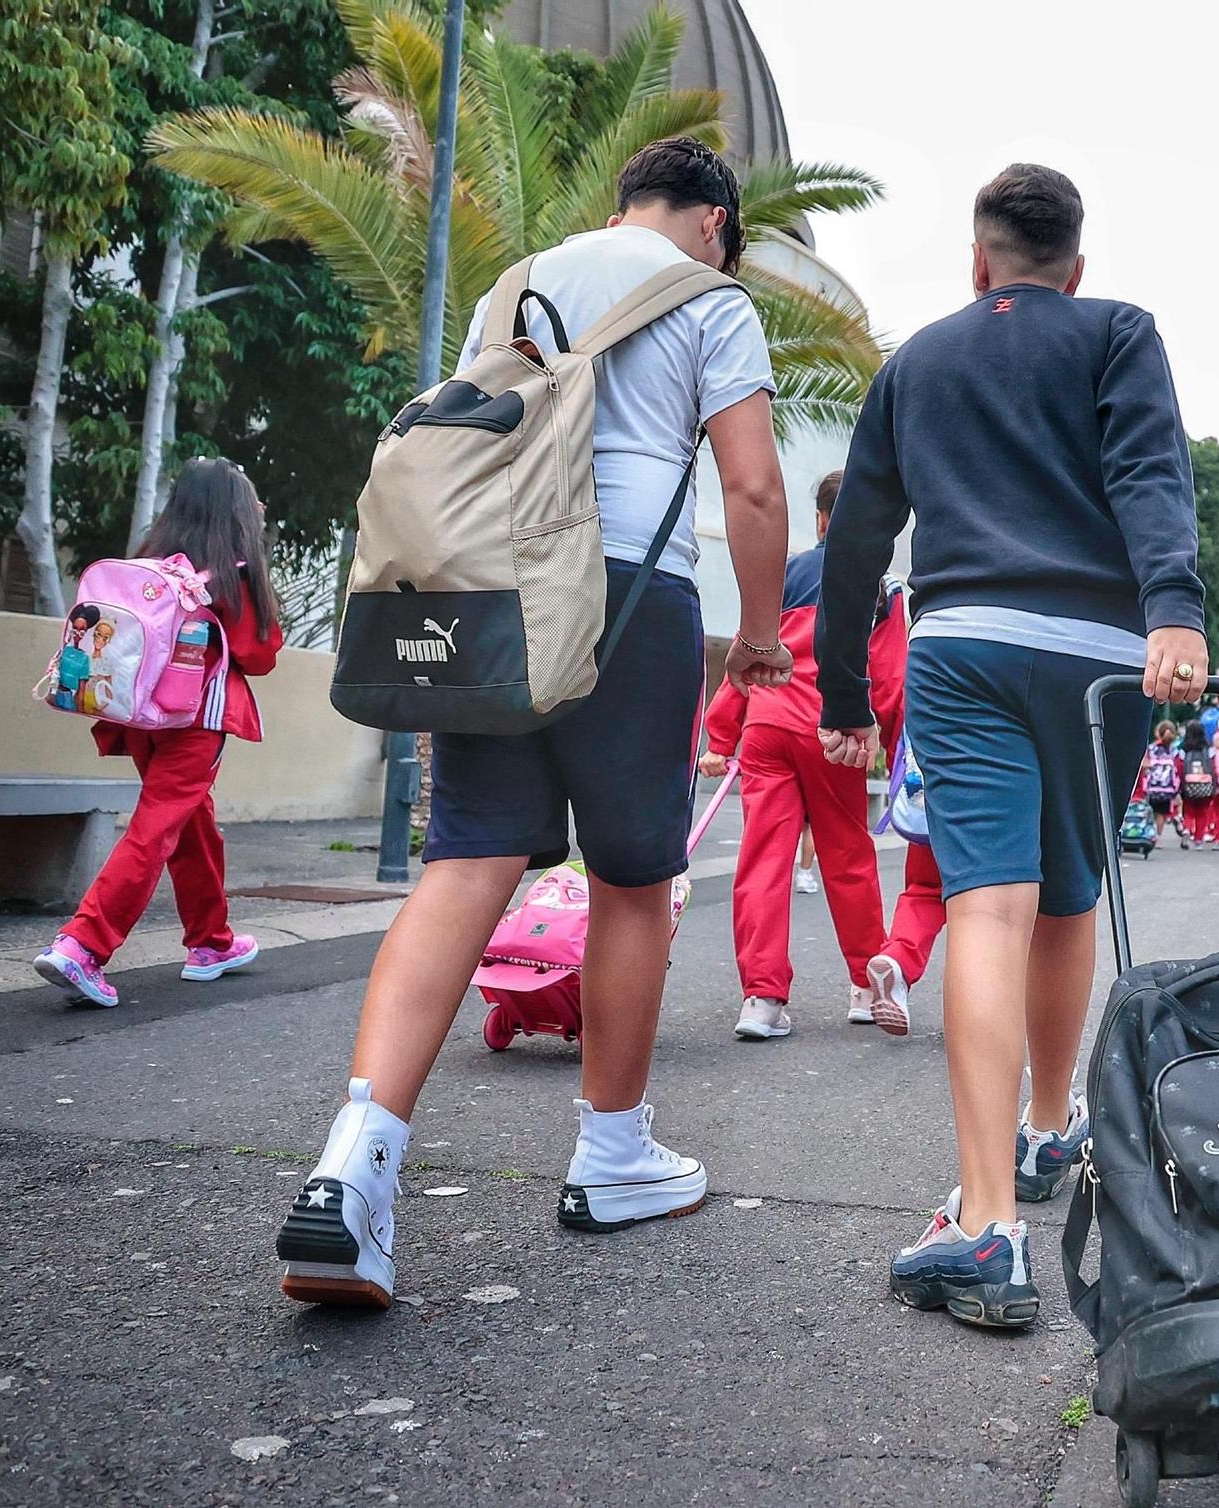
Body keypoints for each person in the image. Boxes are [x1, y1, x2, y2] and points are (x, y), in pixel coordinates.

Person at [275, 139, 795, 1310]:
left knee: (467, 857)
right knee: (628, 875)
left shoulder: (515, 282)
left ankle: (353, 1162)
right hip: (624, 596)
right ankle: (612, 1157)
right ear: (714, 221)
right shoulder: (713, 302)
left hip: (493, 597)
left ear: (623, 202)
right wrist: (759, 634)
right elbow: (754, 487)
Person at [815, 162, 1207, 1331]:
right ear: (1072, 266)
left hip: (963, 642)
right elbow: (1149, 467)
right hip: (1101, 653)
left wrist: (842, 687)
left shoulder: (915, 359)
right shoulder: (1117, 330)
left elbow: (859, 541)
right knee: (1069, 891)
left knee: (987, 905)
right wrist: (1173, 608)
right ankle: (1048, 1129)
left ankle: (986, 1223)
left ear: (977, 259)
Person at [32, 458, 284, 1008]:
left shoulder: (148, 567)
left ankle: (211, 943)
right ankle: (83, 944)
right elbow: (260, 655)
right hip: (196, 723)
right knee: (153, 831)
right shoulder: (231, 573)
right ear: (237, 512)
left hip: (141, 719)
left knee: (193, 827)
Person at [701, 469, 905, 1039]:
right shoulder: (880, 588)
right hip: (833, 732)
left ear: (818, 521)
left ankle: (761, 1000)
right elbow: (890, 678)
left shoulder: (781, 576)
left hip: (767, 726)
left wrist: (721, 737)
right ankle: (866, 987)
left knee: (764, 859)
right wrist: (896, 744)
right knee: (848, 857)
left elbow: (744, 657)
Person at [1139, 720, 1183, 841]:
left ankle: (1148, 832)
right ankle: (1158, 835)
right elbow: (1178, 768)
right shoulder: (1174, 751)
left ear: (1158, 733)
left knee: (1150, 810)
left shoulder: (1152, 748)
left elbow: (1145, 765)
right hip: (1167, 788)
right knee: (1161, 814)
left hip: (1152, 786)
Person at [1177, 717, 1218, 848]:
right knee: (1202, 812)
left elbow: (1178, 766)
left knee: (1188, 810)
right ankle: (1198, 840)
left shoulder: (1183, 749)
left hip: (1188, 784)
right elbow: (1214, 766)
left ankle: (1187, 829)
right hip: (1205, 784)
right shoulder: (1208, 749)